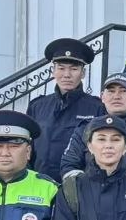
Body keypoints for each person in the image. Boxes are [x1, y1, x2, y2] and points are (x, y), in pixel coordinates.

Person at [26, 38, 105, 181]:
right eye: (61, 68)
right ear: (53, 71)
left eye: (74, 69)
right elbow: (28, 147)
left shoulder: (97, 107)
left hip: (78, 184)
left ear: (83, 73)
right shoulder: (37, 106)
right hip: (40, 183)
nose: (67, 75)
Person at [59, 72, 126, 179]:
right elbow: (68, 166)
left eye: (123, 91)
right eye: (111, 91)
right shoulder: (85, 129)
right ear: (102, 97)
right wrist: (86, 186)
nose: (116, 96)